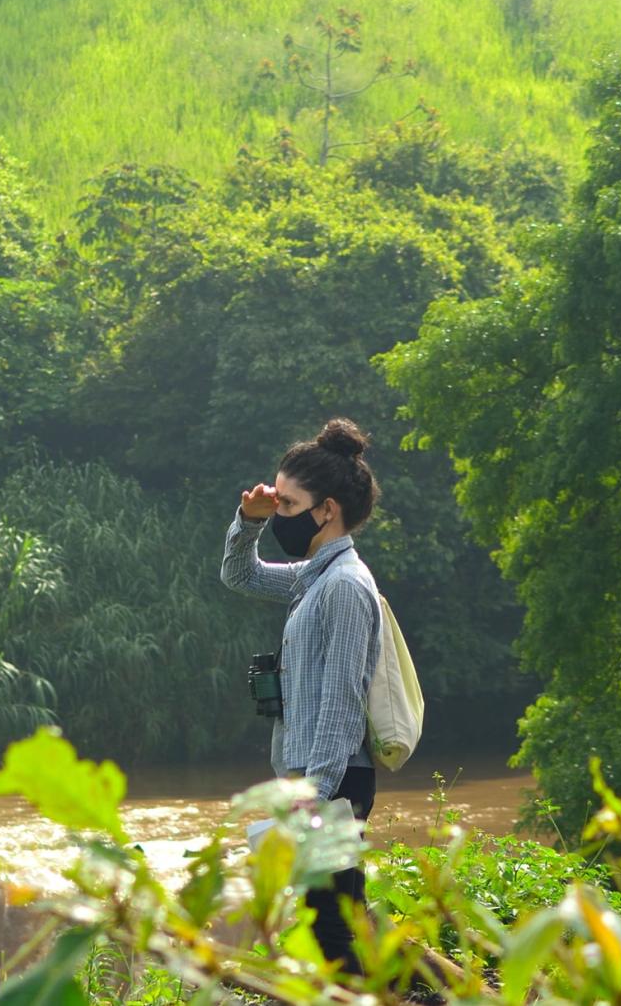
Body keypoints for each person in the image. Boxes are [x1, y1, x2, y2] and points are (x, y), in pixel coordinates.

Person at [221, 417, 382, 974]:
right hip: (320, 776)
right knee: (340, 917)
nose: (280, 513)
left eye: (288, 506)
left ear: (327, 509)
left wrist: (313, 793)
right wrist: (250, 520)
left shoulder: (342, 587)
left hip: (333, 780)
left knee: (331, 927)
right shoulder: (312, 578)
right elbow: (239, 576)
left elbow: (342, 703)